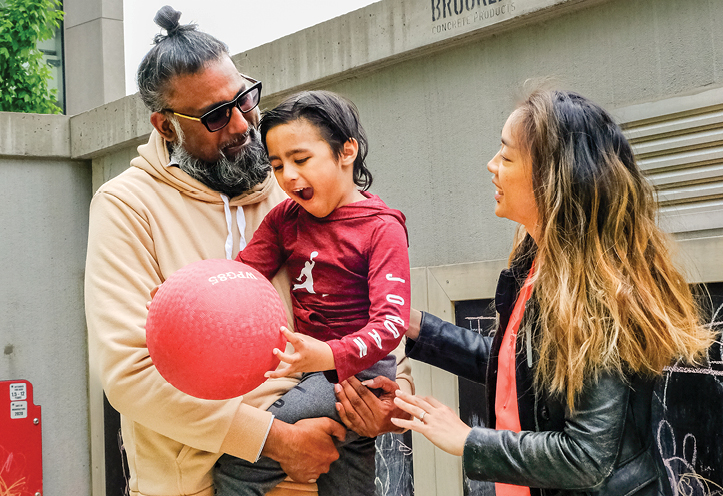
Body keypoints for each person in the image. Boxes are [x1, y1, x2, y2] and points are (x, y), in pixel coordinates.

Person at [83, 7, 412, 496]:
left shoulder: (296, 194)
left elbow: (377, 306)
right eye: (216, 115)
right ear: (166, 124)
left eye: (245, 99)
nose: (241, 124)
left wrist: (393, 399)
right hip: (197, 485)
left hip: (321, 468)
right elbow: (129, 374)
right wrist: (272, 440)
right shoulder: (126, 206)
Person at [390, 89, 717, 496]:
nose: (491, 165)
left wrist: (467, 440)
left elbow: (586, 457)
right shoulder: (539, 264)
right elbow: (516, 371)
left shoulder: (598, 293)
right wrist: (414, 325)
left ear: (552, 178)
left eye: (507, 157)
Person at [214, 91, 411, 496]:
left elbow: (392, 323)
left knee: (238, 466)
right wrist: (188, 296)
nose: (287, 175)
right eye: (277, 165)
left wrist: (328, 355)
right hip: (316, 375)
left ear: (347, 151)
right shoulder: (285, 218)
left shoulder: (382, 228)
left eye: (300, 160)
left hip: (359, 377)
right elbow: (243, 277)